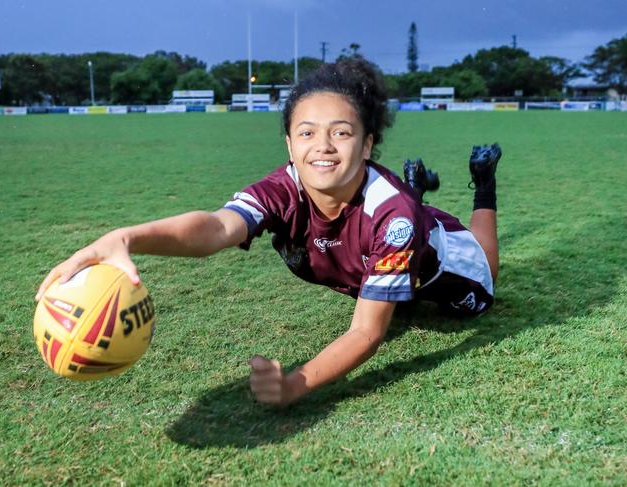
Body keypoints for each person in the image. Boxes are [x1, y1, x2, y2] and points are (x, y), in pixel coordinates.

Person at [36, 58, 501, 407]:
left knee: (485, 277)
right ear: (289, 145)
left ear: (367, 144)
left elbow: (365, 331)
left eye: (341, 133)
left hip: (435, 259)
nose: (321, 145)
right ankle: (419, 194)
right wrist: (127, 237)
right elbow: (217, 227)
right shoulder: (284, 188)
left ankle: (483, 179)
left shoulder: (392, 217)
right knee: (389, 282)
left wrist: (296, 383)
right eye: (306, 133)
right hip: (376, 250)